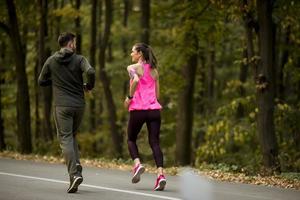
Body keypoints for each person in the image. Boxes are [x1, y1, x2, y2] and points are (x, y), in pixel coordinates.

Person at [38, 32, 95, 193]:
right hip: (78, 105)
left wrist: (55, 81)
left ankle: (74, 174)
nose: (75, 45)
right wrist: (89, 86)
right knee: (72, 135)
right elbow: (90, 72)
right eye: (74, 42)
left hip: (62, 106)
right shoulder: (80, 59)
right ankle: (76, 163)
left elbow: (41, 81)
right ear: (70, 44)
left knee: (65, 137)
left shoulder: (51, 60)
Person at [124, 43, 167, 191]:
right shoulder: (155, 71)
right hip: (154, 110)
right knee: (154, 142)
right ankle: (161, 175)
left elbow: (135, 80)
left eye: (133, 52)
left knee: (131, 139)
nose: (131, 54)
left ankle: (137, 164)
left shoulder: (132, 68)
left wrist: (129, 97)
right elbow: (158, 95)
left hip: (139, 109)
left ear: (140, 54)